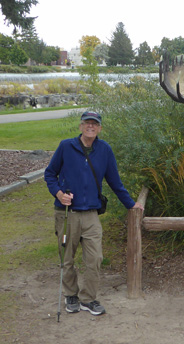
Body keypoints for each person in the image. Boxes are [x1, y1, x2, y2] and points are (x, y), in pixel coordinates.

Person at [45, 111, 144, 316]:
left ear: (99, 128)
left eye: (95, 124)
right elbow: (49, 173)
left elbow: (115, 182)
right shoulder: (66, 146)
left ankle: (88, 299)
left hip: (91, 214)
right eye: (87, 123)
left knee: (95, 258)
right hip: (66, 213)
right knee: (67, 258)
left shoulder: (104, 150)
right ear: (80, 126)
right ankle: (71, 295)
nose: (91, 126)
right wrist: (59, 193)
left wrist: (131, 204)